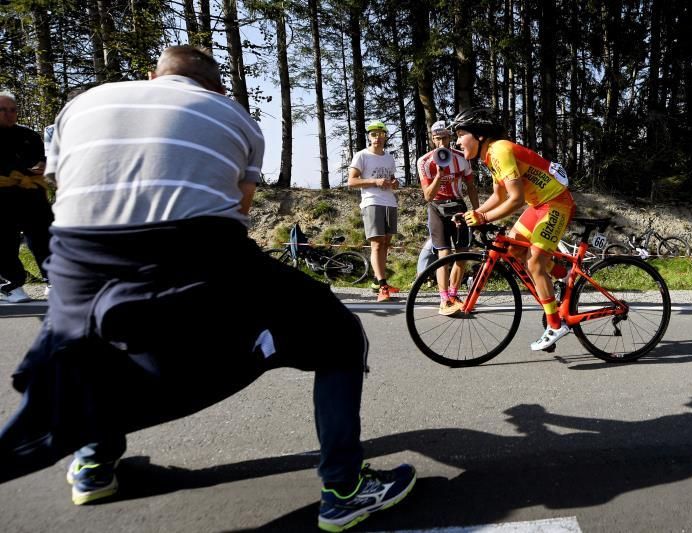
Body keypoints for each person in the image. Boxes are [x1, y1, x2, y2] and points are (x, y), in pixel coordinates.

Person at [0, 46, 415, 531]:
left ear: (152, 75)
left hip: (78, 263)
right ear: (216, 87)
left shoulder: (84, 103)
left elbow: (59, 182)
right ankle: (344, 489)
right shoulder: (233, 115)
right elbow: (238, 208)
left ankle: (94, 466)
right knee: (340, 335)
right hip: (193, 252)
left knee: (92, 346)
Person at [452, 107, 575, 351]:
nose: (457, 141)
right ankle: (564, 274)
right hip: (539, 205)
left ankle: (555, 324)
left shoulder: (500, 150)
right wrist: (475, 214)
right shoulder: (491, 156)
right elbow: (499, 196)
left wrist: (483, 217)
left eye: (461, 134)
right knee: (515, 251)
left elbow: (515, 199)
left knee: (535, 263)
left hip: (555, 204)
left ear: (479, 135)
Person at [417, 120, 480, 315]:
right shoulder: (424, 161)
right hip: (437, 207)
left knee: (462, 253)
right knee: (443, 255)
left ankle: (453, 294)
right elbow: (427, 196)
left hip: (457, 205)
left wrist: (478, 213)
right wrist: (439, 174)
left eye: (445, 137)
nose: (442, 143)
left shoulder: (462, 158)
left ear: (450, 138)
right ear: (433, 139)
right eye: (437, 139)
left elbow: (470, 187)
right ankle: (444, 298)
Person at [0, 91, 54, 303]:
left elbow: (42, 158)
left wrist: (42, 165)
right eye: (3, 110)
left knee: (44, 237)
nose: (9, 114)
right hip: (2, 196)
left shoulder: (29, 135)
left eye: (12, 110)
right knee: (4, 241)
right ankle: (10, 285)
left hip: (31, 194)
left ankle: (53, 280)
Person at [347, 120, 400, 302]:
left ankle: (379, 282)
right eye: (373, 134)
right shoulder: (361, 155)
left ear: (385, 136)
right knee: (377, 244)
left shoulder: (389, 157)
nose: (377, 137)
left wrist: (394, 183)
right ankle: (383, 286)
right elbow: (352, 181)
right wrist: (375, 182)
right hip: (371, 202)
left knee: (385, 244)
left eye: (380, 133)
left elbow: (393, 180)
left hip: (390, 202)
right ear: (369, 136)